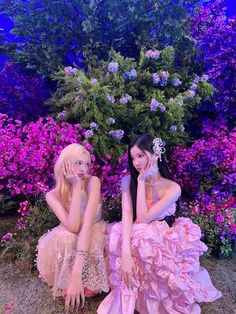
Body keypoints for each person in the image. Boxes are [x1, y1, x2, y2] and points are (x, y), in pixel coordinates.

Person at [97, 134, 221, 314]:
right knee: (124, 231)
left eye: (140, 155)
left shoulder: (172, 188)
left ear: (155, 154)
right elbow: (128, 216)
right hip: (135, 234)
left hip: (160, 238)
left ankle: (152, 294)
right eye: (133, 158)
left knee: (143, 232)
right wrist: (125, 255)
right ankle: (133, 290)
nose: (137, 162)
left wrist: (141, 182)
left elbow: (142, 218)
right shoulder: (127, 181)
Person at [36, 143, 109, 313]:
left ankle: (82, 278)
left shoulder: (93, 182)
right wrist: (76, 188)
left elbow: (86, 225)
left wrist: (77, 275)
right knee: (67, 237)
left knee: (92, 239)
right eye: (78, 163)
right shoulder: (52, 195)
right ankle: (71, 279)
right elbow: (74, 227)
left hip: (94, 229)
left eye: (87, 164)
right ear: (66, 164)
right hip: (71, 233)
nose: (84, 168)